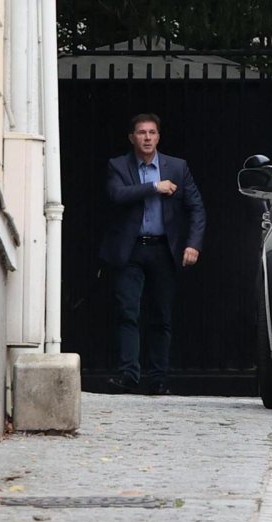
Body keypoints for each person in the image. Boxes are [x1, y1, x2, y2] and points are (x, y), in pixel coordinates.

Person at [103, 113, 206, 395]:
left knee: (161, 315)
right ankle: (129, 374)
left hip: (164, 249)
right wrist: (153, 187)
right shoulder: (118, 166)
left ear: (159, 137)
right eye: (141, 133)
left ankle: (158, 378)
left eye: (152, 133)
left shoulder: (177, 167)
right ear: (132, 138)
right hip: (131, 249)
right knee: (128, 312)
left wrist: (193, 244)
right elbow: (116, 195)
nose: (147, 138)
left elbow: (196, 207)